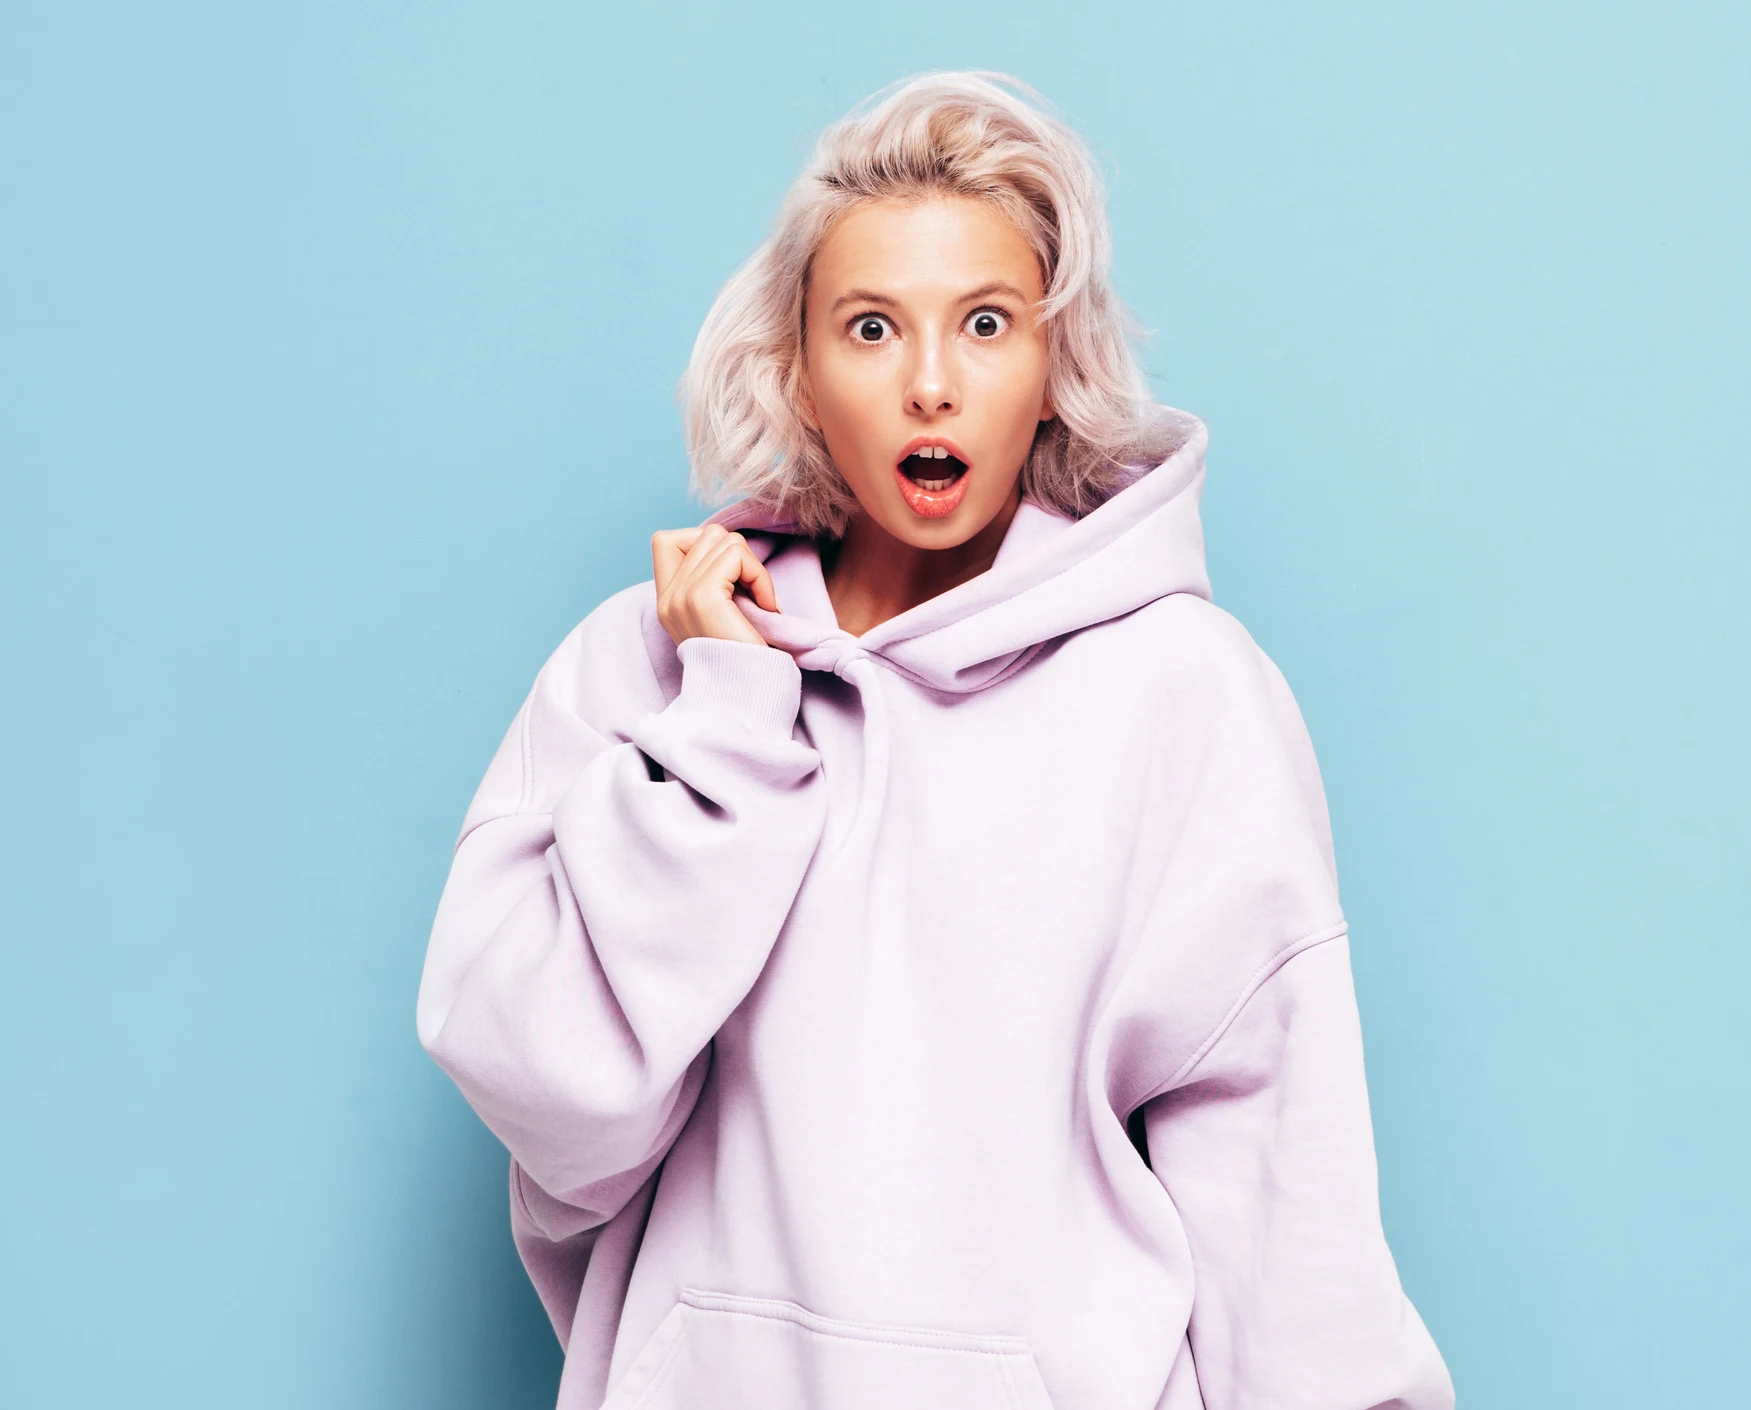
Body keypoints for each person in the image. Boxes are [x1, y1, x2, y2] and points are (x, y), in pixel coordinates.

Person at [418, 71, 1452, 1410]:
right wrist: (731, 723)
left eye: (984, 322)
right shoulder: (647, 665)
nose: (929, 384)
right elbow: (555, 1099)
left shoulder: (1180, 694)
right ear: (794, 363)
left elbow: (1281, 1184)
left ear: (1051, 364)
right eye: (868, 327)